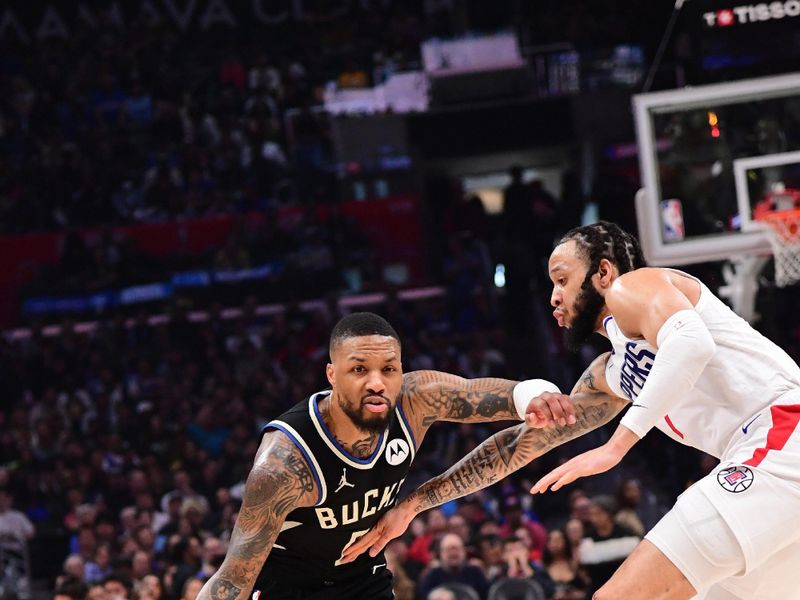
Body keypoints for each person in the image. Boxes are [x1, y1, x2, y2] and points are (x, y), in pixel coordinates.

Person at [346, 221, 800, 600]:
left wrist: (616, 446)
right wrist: (417, 503)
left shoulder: (634, 286)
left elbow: (690, 343)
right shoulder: (614, 372)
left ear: (602, 272)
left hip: (780, 437)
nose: (553, 298)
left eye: (562, 279)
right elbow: (519, 446)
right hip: (770, 466)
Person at [195, 312, 566, 600]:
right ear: (331, 375)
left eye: (388, 369)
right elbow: (232, 578)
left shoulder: (415, 398)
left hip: (362, 577)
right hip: (290, 588)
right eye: (359, 369)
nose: (377, 382)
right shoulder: (284, 463)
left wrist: (535, 394)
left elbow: (494, 395)